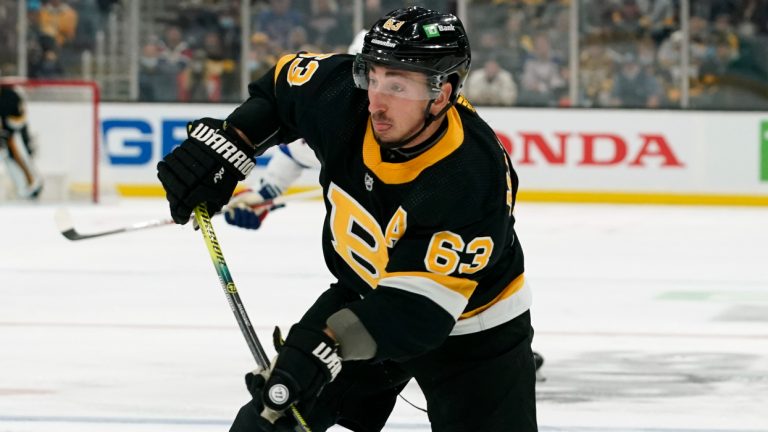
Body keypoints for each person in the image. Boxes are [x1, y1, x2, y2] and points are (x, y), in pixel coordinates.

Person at [157, 7, 537, 432]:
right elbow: (281, 89)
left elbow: (416, 314)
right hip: (363, 292)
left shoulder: (470, 174)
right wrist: (231, 143)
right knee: (274, 417)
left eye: (397, 85)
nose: (376, 99)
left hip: (475, 331)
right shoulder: (344, 96)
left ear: (442, 93)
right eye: (372, 77)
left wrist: (324, 345)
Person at [0, 82, 43, 199]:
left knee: (17, 155)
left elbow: (19, 120)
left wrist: (6, 134)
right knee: (9, 158)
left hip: (13, 131)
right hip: (7, 131)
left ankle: (32, 184)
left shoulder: (10, 96)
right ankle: (24, 186)